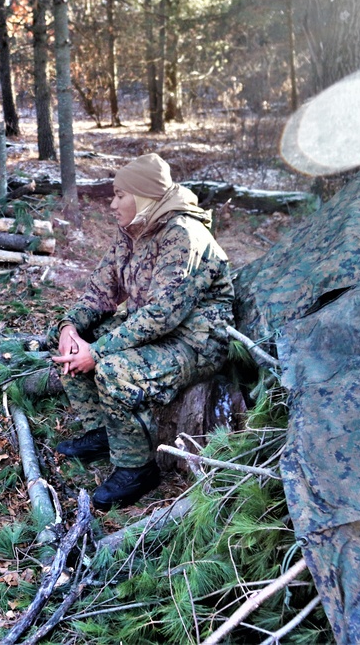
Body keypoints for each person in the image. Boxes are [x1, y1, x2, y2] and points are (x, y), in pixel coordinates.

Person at [50, 153, 234, 510]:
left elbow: (162, 315)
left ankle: (137, 469)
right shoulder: (134, 232)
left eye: (120, 194)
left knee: (114, 370)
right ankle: (105, 430)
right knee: (70, 344)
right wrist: (69, 327)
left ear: (145, 195)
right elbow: (100, 290)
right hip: (154, 329)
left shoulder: (183, 233)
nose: (112, 203)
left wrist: (98, 351)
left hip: (195, 341)